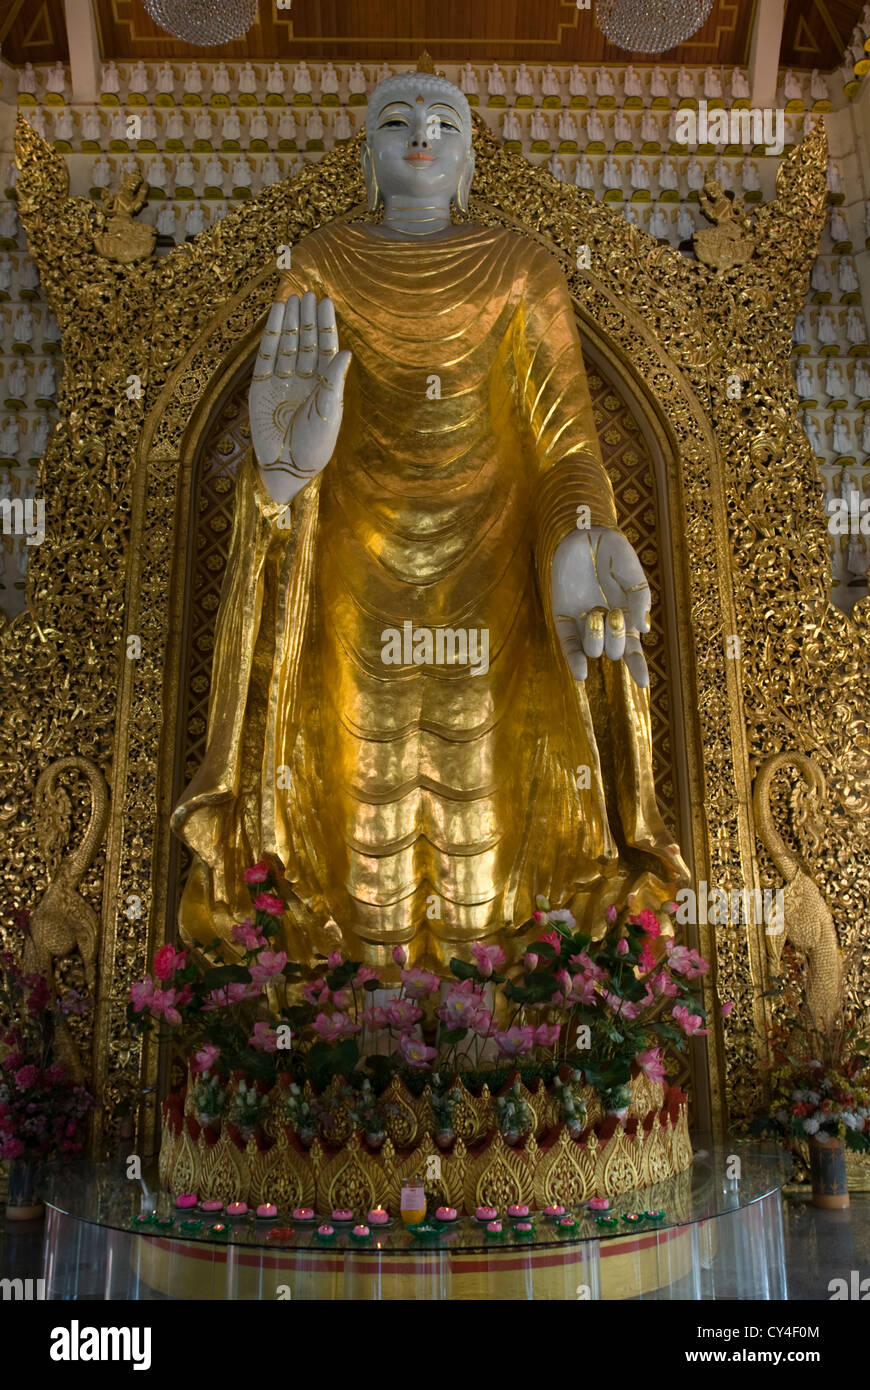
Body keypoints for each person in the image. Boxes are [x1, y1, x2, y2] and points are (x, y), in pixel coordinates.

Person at [172, 68, 688, 970]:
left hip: (493, 582)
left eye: (445, 120)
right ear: (368, 154)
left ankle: (512, 1042)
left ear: (469, 156)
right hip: (351, 576)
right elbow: (285, 423)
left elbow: (567, 446)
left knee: (483, 811)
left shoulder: (520, 264)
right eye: (397, 120)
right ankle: (340, 1037)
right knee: (351, 798)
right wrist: (282, 476)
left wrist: (581, 535)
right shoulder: (324, 260)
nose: (422, 133)